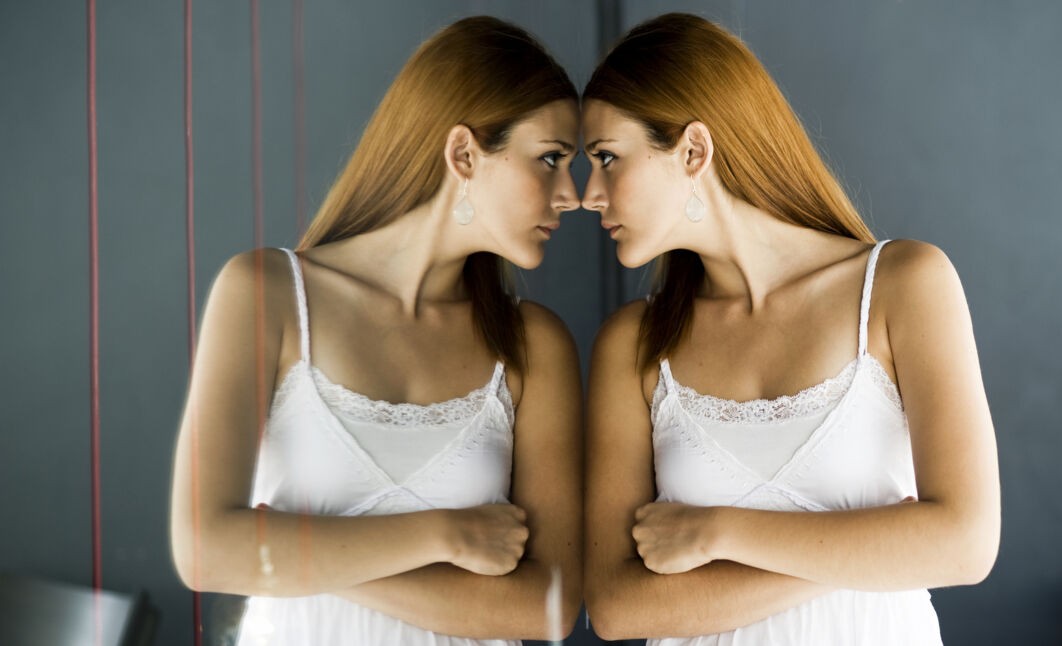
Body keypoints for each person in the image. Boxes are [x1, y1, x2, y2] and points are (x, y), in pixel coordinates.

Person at [581, 13, 1000, 645]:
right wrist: (875, 545)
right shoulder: (634, 344)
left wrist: (720, 532)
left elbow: (965, 544)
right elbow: (615, 607)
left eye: (608, 158)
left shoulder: (903, 284)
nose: (588, 193)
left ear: (694, 151)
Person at [169, 16, 583, 645]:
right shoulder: (266, 294)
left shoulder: (533, 345)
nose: (571, 195)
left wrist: (290, 550)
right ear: (464, 154)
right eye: (550, 160)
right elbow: (205, 550)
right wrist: (442, 536)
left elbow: (548, 608)